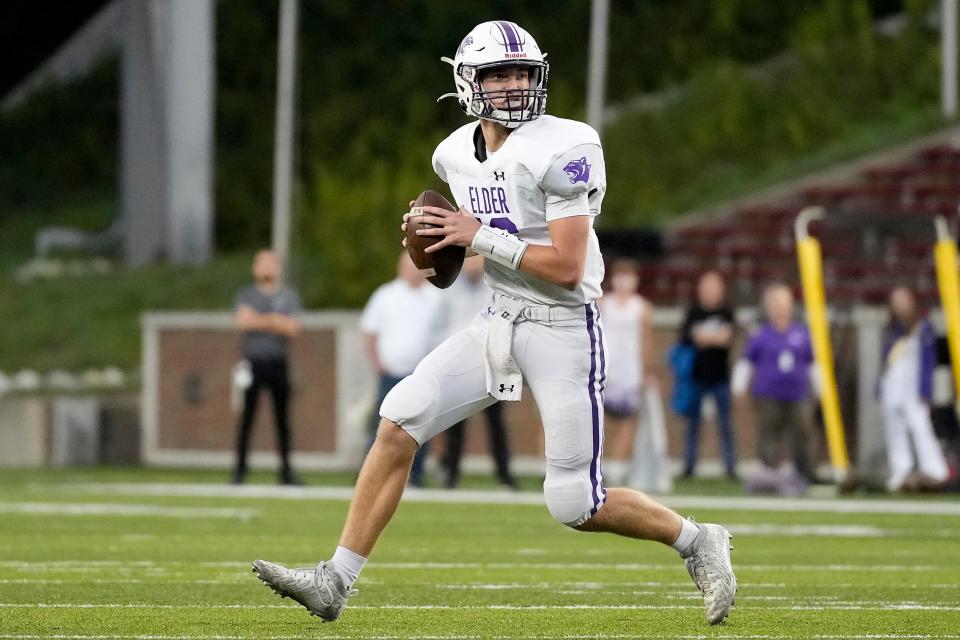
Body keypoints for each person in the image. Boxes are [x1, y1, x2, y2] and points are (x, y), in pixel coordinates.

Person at [252, 21, 736, 626]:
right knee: (399, 418)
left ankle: (697, 540)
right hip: (500, 318)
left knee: (574, 503)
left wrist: (474, 237)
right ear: (466, 82)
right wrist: (442, 251)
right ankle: (335, 580)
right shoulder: (453, 153)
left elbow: (564, 265)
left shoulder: (568, 147)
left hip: (564, 327)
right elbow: (464, 251)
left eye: (522, 73)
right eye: (498, 74)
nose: (513, 85)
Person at [432, 256, 518, 489]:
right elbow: (439, 326)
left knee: (496, 424)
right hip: (459, 364)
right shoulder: (448, 288)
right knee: (454, 423)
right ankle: (451, 474)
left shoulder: (495, 286)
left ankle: (504, 476)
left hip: (491, 362)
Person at [359, 252, 440, 487]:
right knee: (384, 425)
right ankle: (374, 477)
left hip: (421, 375)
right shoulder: (385, 296)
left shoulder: (435, 297)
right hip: (390, 372)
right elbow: (370, 332)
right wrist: (378, 365)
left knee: (421, 427)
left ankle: (415, 477)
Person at [733, 283, 817, 495]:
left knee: (803, 433)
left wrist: (820, 387)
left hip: (798, 394)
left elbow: (812, 362)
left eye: (783, 303)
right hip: (768, 394)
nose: (780, 308)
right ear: (768, 307)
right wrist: (739, 387)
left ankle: (805, 474)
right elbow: (746, 361)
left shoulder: (802, 333)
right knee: (768, 435)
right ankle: (768, 478)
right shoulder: (760, 334)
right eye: (775, 303)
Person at [232, 249, 303, 486]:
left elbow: (293, 328)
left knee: (282, 419)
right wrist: (275, 320)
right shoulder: (247, 295)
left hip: (278, 362)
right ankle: (239, 470)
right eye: (262, 264)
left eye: (271, 264)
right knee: (247, 418)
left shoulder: (287, 296)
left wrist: (261, 320)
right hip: (253, 362)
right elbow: (244, 322)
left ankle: (286, 471)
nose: (267, 269)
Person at [879, 286, 950, 492]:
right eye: (896, 300)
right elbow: (885, 361)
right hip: (892, 387)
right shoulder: (892, 328)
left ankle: (936, 471)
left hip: (913, 388)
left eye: (904, 300)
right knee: (895, 432)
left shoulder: (923, 327)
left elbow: (929, 361)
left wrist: (926, 389)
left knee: (921, 427)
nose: (900, 305)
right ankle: (901, 473)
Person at [598, 258, 656, 485]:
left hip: (630, 371)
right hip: (606, 369)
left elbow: (646, 341)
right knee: (599, 419)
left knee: (626, 421)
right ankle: (597, 463)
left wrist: (647, 371)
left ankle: (618, 467)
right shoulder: (604, 303)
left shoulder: (641, 307)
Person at [679, 270, 737, 479]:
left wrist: (704, 337)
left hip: (720, 377)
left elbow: (726, 339)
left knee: (725, 423)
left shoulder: (727, 311)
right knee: (692, 424)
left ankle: (730, 466)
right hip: (697, 376)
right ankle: (689, 465)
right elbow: (687, 338)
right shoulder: (693, 312)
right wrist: (713, 337)